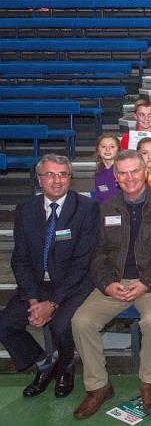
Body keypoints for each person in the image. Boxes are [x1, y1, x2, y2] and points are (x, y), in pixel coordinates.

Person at [71, 150, 151, 419]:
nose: (129, 178)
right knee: (81, 321)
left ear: (145, 172)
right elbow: (97, 253)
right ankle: (98, 386)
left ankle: (149, 383)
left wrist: (146, 283)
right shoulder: (106, 208)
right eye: (122, 173)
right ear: (116, 177)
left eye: (135, 171)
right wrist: (107, 283)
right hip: (114, 281)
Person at [0, 155, 98, 399]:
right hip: (36, 285)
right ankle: (45, 363)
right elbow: (20, 258)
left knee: (61, 323)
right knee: (5, 325)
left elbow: (82, 263)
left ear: (70, 178)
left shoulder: (86, 209)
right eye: (50, 175)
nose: (57, 180)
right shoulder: (26, 210)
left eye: (63, 174)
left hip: (73, 285)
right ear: (39, 179)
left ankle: (65, 367)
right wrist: (34, 300)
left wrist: (52, 303)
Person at [93, 134, 120, 204]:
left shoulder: (124, 171)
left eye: (112, 146)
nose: (107, 149)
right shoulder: (99, 174)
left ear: (118, 150)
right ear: (98, 151)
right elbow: (99, 199)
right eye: (103, 146)